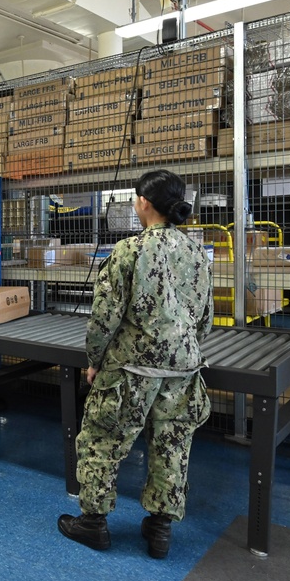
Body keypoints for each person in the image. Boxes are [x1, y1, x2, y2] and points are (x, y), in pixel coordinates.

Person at [57, 169, 213, 559]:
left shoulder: (129, 251)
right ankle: (160, 529)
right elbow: (204, 318)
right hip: (183, 370)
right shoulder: (197, 253)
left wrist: (95, 361)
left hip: (131, 371)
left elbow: (104, 319)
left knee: (102, 440)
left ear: (143, 203)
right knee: (172, 445)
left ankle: (93, 523)